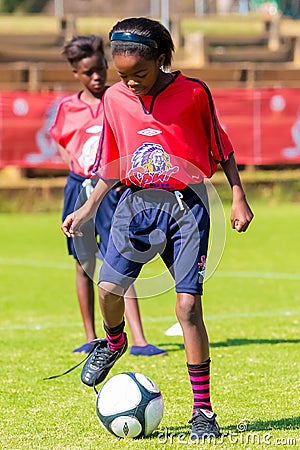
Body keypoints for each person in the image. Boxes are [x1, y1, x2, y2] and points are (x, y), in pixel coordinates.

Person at [62, 19, 254, 440]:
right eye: (123, 75)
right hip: (133, 206)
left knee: (187, 308)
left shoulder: (194, 93)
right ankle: (113, 342)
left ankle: (203, 413)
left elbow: (222, 149)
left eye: (140, 75)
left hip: (187, 208)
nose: (130, 83)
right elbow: (110, 164)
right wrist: (88, 207)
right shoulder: (114, 98)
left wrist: (238, 195)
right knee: (107, 291)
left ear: (163, 60)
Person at [50, 34, 167, 357]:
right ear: (76, 72)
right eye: (89, 72)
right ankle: (91, 336)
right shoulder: (68, 108)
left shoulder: (120, 100)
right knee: (83, 262)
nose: (97, 76)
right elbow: (61, 141)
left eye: (101, 69)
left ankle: (139, 339)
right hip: (79, 188)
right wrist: (77, 167)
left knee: (120, 259)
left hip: (114, 190)